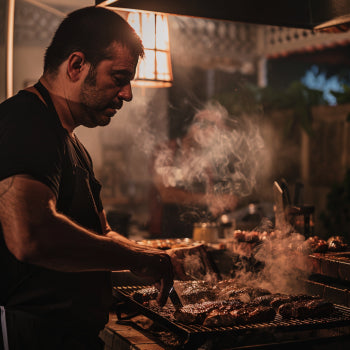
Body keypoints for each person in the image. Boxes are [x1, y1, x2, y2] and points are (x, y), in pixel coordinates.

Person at [0, 6, 173, 350]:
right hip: (30, 336)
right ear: (77, 66)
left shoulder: (74, 144)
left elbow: (101, 231)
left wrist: (155, 258)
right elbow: (31, 236)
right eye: (119, 78)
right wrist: (138, 258)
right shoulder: (25, 121)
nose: (127, 94)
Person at [149, 104, 239, 237]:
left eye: (216, 128)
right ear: (190, 126)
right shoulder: (166, 151)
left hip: (198, 235)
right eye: (205, 124)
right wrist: (210, 199)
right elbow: (166, 194)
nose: (211, 131)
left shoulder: (208, 160)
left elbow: (210, 198)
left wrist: (222, 203)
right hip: (166, 235)